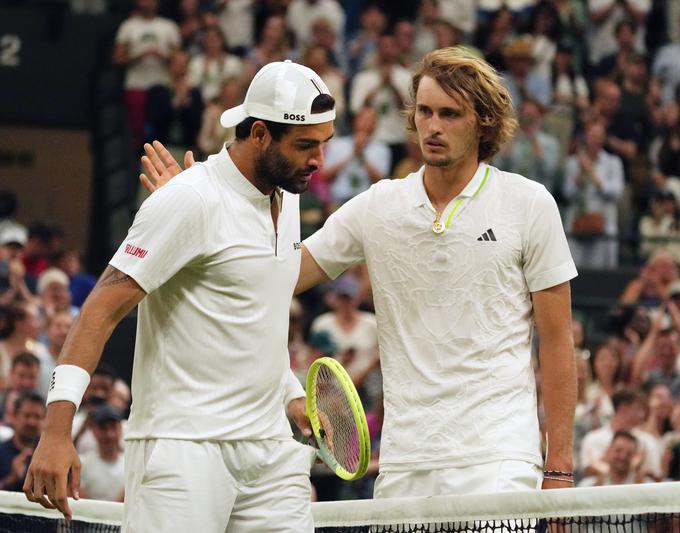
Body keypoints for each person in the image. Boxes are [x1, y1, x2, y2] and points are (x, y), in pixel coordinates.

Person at [145, 47, 578, 497]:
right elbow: (272, 276)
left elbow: (557, 340)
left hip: (499, 460)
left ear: (484, 122)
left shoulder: (529, 205)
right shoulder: (379, 205)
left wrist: (560, 467)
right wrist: (200, 209)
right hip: (404, 464)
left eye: (450, 114)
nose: (432, 126)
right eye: (425, 111)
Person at [24, 60, 336, 532]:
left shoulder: (287, 193)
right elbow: (100, 310)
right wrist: (55, 430)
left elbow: (252, 314)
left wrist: (290, 394)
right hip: (184, 453)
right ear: (258, 134)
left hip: (271, 455)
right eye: (305, 146)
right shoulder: (190, 200)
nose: (318, 160)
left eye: (324, 144)